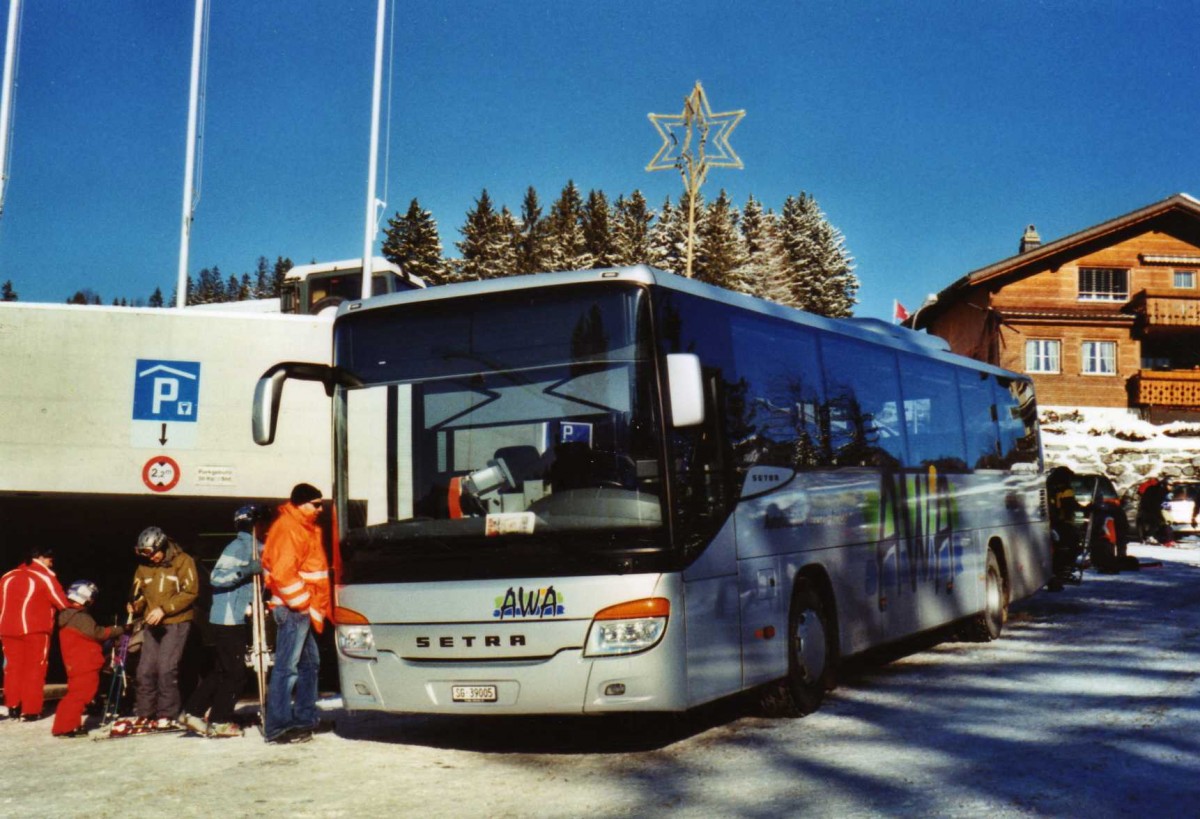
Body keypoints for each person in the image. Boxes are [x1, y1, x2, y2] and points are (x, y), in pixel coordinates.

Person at [179, 506, 262, 738]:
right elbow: (217, 577)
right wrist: (247, 570)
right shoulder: (239, 546)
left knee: (223, 669)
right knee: (236, 673)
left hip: (229, 617)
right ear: (253, 524)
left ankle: (192, 711)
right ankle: (220, 720)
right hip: (227, 618)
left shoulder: (253, 546)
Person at [262, 482, 330, 744]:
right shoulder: (290, 528)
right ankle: (278, 727)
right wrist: (302, 602)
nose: (320, 509)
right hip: (293, 609)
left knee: (309, 665)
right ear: (301, 503)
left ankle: (304, 719)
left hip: (300, 608)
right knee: (287, 668)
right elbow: (282, 572)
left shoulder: (302, 527)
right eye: (316, 504)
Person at [128, 526, 199, 728]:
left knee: (166, 669)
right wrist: (136, 604)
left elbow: (190, 592)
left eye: (152, 553)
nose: (151, 558)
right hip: (152, 625)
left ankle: (167, 713)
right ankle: (145, 712)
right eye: (144, 554)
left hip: (175, 622)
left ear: (161, 546)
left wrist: (164, 609)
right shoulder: (144, 567)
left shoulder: (183, 561)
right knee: (145, 670)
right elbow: (140, 594)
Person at [0, 546, 69, 721]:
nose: (52, 560)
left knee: (13, 668)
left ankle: (13, 705)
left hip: (7, 629)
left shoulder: (7, 576)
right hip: (35, 629)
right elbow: (63, 603)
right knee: (35, 668)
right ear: (40, 557)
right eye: (49, 556)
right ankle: (30, 709)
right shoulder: (44, 577)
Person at [52, 580, 125, 737]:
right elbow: (98, 633)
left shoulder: (67, 615)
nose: (92, 602)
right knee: (81, 695)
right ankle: (67, 727)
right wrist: (120, 629)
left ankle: (63, 725)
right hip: (85, 663)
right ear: (83, 597)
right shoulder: (80, 617)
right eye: (91, 598)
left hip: (76, 663)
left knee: (75, 694)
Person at [1046, 466, 1087, 589]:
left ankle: (1055, 574)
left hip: (1049, 523)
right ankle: (1063, 572)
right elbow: (1069, 506)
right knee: (1073, 545)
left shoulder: (1048, 488)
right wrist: (1086, 509)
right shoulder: (1065, 490)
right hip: (1062, 523)